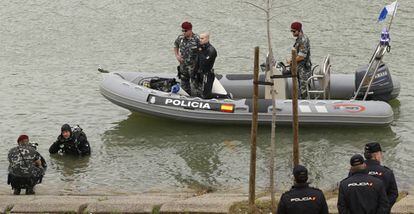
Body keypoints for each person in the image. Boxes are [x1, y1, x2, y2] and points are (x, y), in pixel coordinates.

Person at [364, 142, 399, 208]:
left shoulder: (355, 171)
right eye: (380, 153)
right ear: (376, 155)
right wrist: (383, 209)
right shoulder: (387, 172)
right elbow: (393, 194)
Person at [174, 21, 200, 96]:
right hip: (183, 66)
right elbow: (175, 45)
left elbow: (202, 51)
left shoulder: (197, 39)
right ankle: (185, 98)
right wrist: (177, 55)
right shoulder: (180, 38)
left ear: (190, 30)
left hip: (194, 67)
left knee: (195, 86)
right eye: (182, 30)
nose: (183, 32)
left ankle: (196, 99)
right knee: (184, 85)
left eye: (185, 31)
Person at [288, 21, 312, 99]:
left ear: (299, 30)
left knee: (304, 89)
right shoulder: (299, 39)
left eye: (294, 31)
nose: (292, 33)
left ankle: (306, 104)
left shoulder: (303, 40)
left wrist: (291, 61)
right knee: (301, 88)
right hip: (299, 68)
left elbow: (301, 56)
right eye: (291, 31)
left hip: (304, 69)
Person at [194, 32, 217, 98]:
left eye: (202, 38)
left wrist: (200, 51)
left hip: (207, 74)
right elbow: (198, 61)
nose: (200, 40)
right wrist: (194, 73)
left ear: (207, 39)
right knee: (198, 94)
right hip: (199, 74)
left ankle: (225, 96)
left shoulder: (211, 50)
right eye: (199, 38)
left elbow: (205, 61)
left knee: (206, 95)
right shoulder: (201, 48)